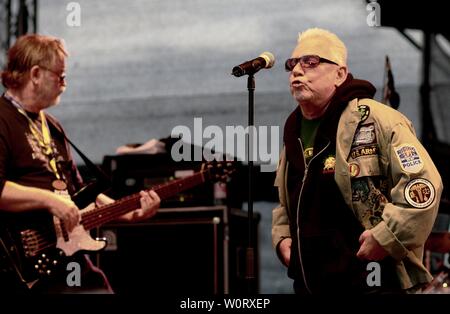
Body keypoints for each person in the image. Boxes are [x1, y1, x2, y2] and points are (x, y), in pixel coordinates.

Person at [272, 28, 443, 294]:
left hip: (372, 282)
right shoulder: (293, 132)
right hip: (310, 284)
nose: (297, 70)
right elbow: (286, 199)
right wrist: (281, 236)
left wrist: (386, 238)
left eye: (311, 61)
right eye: (292, 63)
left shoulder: (380, 120)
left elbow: (423, 186)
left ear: (339, 74)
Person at [0, 34, 160, 294]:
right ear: (36, 74)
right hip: (24, 263)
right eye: (60, 75)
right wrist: (49, 200)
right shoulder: (3, 119)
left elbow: (78, 194)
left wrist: (129, 211)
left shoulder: (51, 126)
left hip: (66, 255)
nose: (65, 83)